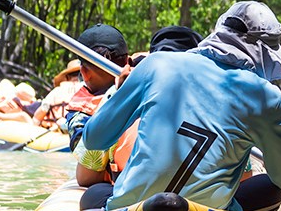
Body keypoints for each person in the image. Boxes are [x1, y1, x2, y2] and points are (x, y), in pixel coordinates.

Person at [77, 2, 281, 211]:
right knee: (268, 186)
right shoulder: (266, 97)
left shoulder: (155, 64)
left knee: (94, 194)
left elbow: (94, 138)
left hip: (132, 208)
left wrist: (120, 92)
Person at [77, 25, 204, 187]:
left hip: (138, 198)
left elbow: (85, 177)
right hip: (202, 199)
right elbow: (243, 178)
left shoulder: (119, 96)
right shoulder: (220, 103)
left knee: (95, 192)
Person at [59, 24, 129, 149]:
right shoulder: (80, 114)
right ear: (127, 62)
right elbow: (85, 151)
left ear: (84, 73)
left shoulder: (141, 74)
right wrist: (117, 94)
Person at [32, 61, 82, 130]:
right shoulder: (89, 90)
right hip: (78, 132)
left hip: (56, 132)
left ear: (67, 77)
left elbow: (42, 110)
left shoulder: (57, 91)